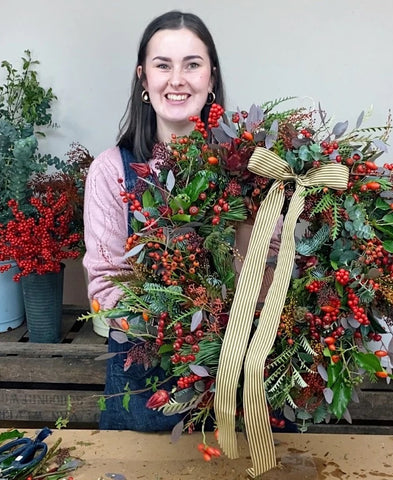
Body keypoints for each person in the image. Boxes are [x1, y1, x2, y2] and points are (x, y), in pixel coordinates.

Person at [84, 10, 282, 432]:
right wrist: (186, 324)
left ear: (211, 78)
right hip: (146, 391)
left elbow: (271, 275)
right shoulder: (111, 173)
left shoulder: (251, 169)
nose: (177, 80)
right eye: (163, 65)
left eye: (192, 64)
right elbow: (105, 288)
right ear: (143, 78)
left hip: (243, 384)